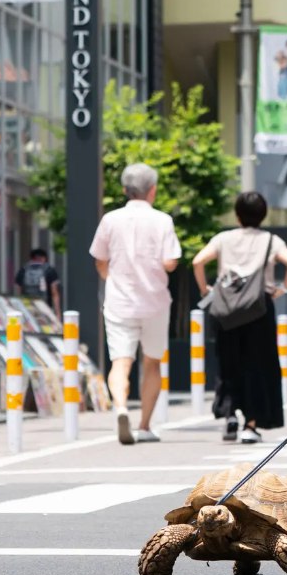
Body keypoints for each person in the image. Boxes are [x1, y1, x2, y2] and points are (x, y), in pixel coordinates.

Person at [192, 192, 287, 444]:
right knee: (257, 367)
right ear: (263, 215)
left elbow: (198, 261)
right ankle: (250, 426)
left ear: (238, 215)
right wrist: (281, 288)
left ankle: (230, 415)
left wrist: (205, 289)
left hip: (226, 310)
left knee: (229, 363)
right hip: (258, 310)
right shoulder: (271, 241)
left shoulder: (223, 238)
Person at [89, 163, 181, 445]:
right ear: (152, 190)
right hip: (154, 301)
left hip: (119, 301)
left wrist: (109, 276)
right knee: (152, 362)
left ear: (124, 190)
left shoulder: (110, 219)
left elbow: (100, 260)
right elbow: (170, 262)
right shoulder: (163, 220)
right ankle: (143, 425)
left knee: (120, 361)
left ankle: (120, 408)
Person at [15, 248, 61, 316]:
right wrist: (57, 312)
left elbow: (18, 291)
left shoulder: (23, 270)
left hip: (27, 308)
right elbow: (55, 293)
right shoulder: (49, 270)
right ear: (44, 258)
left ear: (32, 258)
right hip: (45, 307)